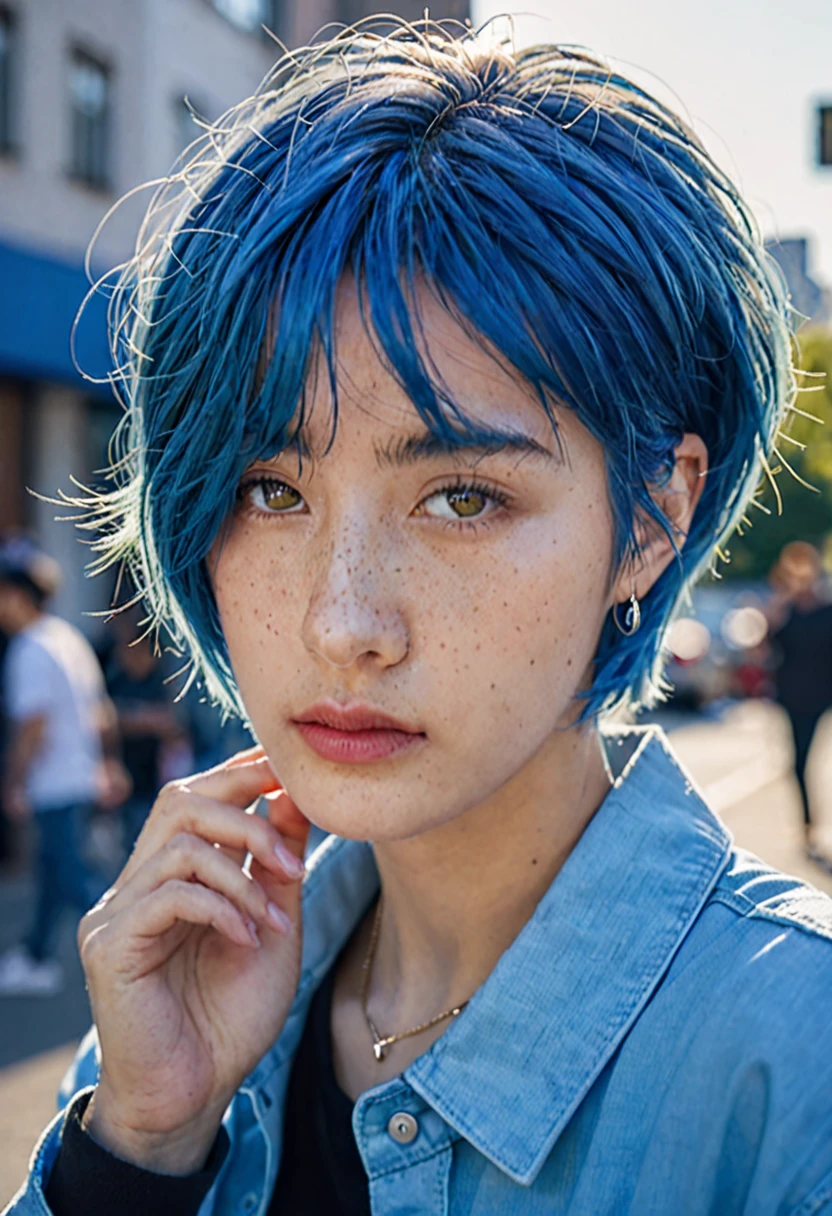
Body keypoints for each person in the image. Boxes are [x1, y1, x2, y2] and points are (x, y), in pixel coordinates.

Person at [7, 18, 832, 1215]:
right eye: (271, 490)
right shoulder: (199, 999)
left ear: (652, 518)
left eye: (460, 496)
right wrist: (136, 1148)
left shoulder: (788, 1070)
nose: (344, 623)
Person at [0, 537, 116, 996]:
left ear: (16, 595)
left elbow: (33, 725)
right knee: (54, 874)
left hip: (55, 782)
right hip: (80, 777)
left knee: (70, 875)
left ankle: (134, 938)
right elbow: (100, 710)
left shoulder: (29, 648)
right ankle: (35, 955)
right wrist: (108, 765)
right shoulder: (67, 638)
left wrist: (13, 780)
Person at [102, 604, 190, 857]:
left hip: (160, 780)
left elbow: (176, 724)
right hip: (126, 781)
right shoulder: (116, 678)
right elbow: (104, 717)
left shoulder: (165, 679)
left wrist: (135, 718)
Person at [767, 540, 832, 870]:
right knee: (798, 763)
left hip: (824, 696)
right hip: (793, 697)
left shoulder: (827, 609)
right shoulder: (787, 611)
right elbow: (764, 644)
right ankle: (808, 826)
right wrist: (781, 599)